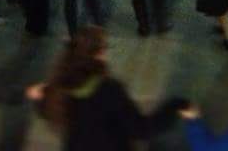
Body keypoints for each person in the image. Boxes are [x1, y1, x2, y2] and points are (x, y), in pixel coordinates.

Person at [35, 26, 182, 151]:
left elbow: (45, 109)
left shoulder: (60, 84)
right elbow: (141, 129)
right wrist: (175, 106)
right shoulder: (108, 90)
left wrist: (38, 97)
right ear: (99, 53)